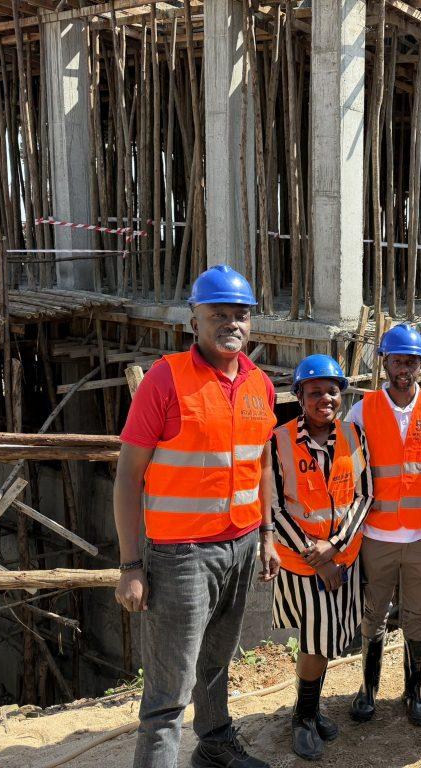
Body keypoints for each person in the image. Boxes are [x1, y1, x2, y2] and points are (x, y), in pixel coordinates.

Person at [114, 264, 279, 768]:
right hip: (181, 554)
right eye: (219, 313)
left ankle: (213, 746)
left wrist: (268, 535)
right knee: (168, 689)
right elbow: (128, 477)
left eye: (241, 314)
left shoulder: (259, 383)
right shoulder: (165, 380)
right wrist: (130, 566)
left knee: (216, 662)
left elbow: (263, 464)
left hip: (243, 543)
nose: (231, 322)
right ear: (195, 319)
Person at [345, 323, 421, 726]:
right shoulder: (362, 410)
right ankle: (368, 690)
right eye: (396, 360)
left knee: (416, 615)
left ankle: (416, 693)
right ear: (384, 364)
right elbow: (351, 471)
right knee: (373, 614)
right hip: (377, 535)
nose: (403, 368)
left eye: (410, 361)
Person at [269, 354, 373, 760]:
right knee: (315, 642)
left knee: (327, 638)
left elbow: (364, 494)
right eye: (314, 392)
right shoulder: (278, 441)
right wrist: (318, 557)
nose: (324, 399)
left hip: (343, 556)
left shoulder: (354, 436)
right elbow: (275, 508)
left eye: (332, 391)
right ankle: (304, 717)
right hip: (301, 563)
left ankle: (308, 710)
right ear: (299, 396)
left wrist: (336, 545)